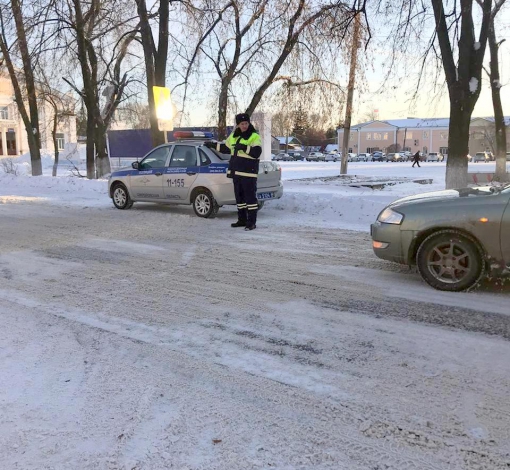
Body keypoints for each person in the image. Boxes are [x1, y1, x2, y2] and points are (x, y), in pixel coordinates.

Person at [205, 113, 262, 230]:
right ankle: (242, 220)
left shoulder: (254, 136)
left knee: (250, 199)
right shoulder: (234, 136)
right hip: (236, 172)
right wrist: (213, 145)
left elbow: (257, 152)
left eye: (246, 123)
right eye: (242, 124)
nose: (245, 126)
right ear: (238, 125)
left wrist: (244, 147)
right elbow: (226, 148)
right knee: (239, 198)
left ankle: (251, 222)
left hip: (248, 172)